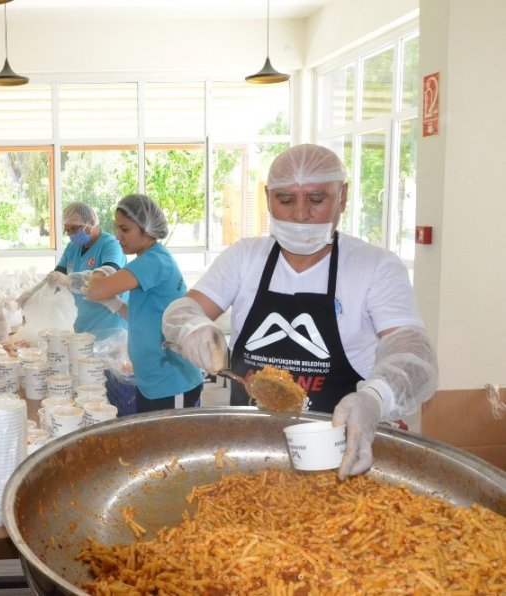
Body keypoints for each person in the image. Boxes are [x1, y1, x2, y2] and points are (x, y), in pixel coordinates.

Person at [161, 144, 438, 479]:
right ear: (268, 198)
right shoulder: (245, 258)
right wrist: (191, 327)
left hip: (338, 451)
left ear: (343, 197)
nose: (300, 214)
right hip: (248, 450)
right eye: (286, 199)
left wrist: (375, 397)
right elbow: (182, 309)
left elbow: (413, 352)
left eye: (317, 199)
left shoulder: (374, 267)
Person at [86, 194, 203, 413]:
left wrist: (100, 271)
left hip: (172, 382)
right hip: (153, 382)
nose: (118, 236)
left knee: (169, 445)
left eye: (125, 229)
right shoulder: (149, 259)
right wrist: (115, 304)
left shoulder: (154, 261)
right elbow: (141, 317)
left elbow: (95, 290)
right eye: (117, 228)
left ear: (147, 228)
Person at [18, 202, 127, 337]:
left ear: (91, 222)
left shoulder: (110, 245)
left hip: (109, 325)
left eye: (75, 228)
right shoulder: (73, 247)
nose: (70, 234)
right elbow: (55, 276)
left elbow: (108, 275)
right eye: (67, 229)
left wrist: (70, 280)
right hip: (82, 323)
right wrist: (31, 295)